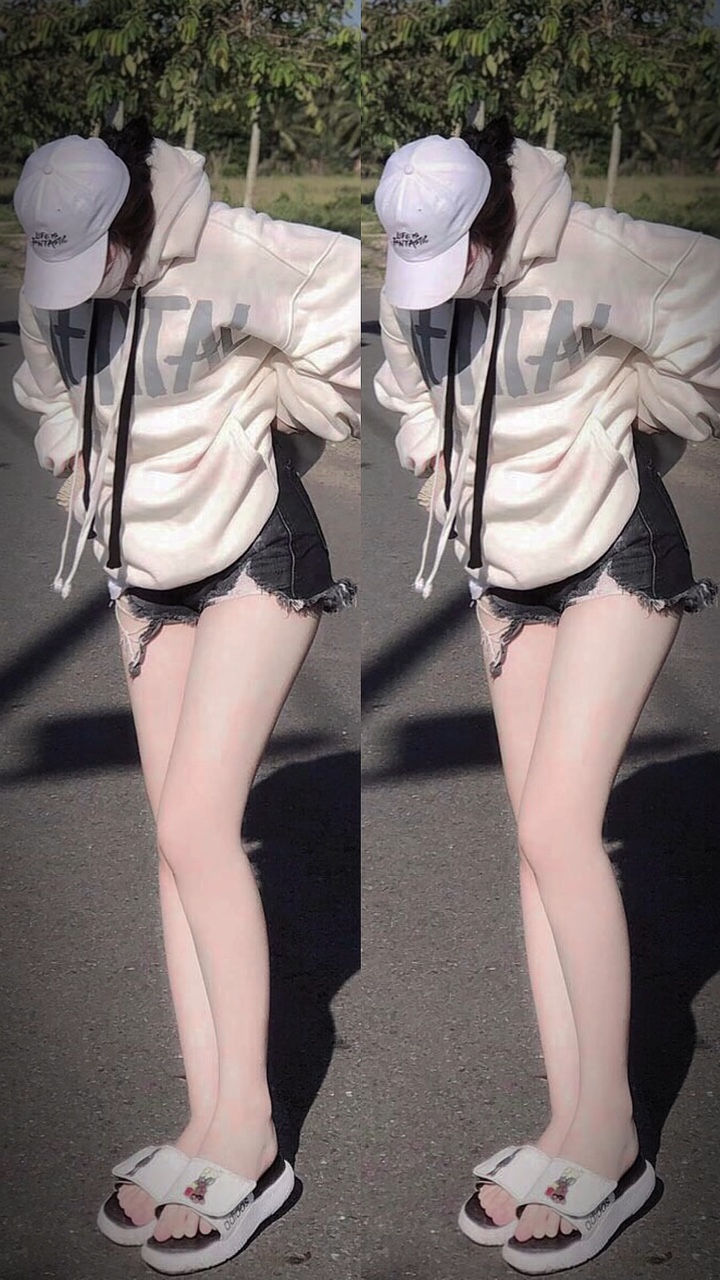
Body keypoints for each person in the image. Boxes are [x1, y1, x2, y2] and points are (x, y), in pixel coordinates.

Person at [13, 117, 359, 1275]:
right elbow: (46, 385)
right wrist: (77, 465)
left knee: (200, 824)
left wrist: (271, 410)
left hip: (257, 548)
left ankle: (252, 1137)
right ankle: (205, 1116)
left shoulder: (237, 247)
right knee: (173, 840)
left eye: (94, 260)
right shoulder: (56, 262)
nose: (76, 288)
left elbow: (338, 306)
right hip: (141, 566)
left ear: (132, 220)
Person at [373, 116, 719, 1273]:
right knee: (535, 839)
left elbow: (708, 314)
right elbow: (407, 386)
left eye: (454, 258)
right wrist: (441, 470)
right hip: (503, 571)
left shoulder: (602, 250)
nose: (435, 286)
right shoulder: (416, 269)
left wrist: (644, 408)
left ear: (493, 220)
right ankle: (569, 1117)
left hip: (620, 550)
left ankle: (613, 1139)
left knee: (564, 824)